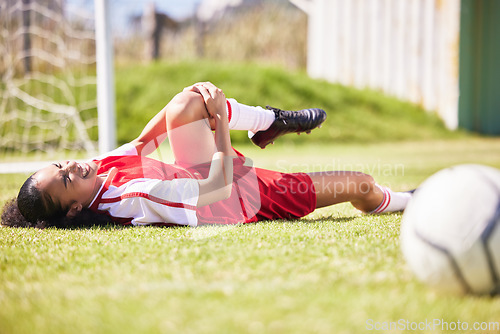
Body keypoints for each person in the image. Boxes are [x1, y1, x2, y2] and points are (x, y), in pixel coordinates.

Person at [1, 82, 411, 229]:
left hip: (199, 174)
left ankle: (268, 121)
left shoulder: (94, 171)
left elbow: (142, 143)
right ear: (74, 210)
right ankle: (410, 200)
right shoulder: (132, 198)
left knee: (187, 101)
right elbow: (216, 190)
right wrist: (216, 119)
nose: (72, 166)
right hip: (236, 200)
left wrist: (189, 99)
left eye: (61, 165)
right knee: (360, 183)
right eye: (67, 179)